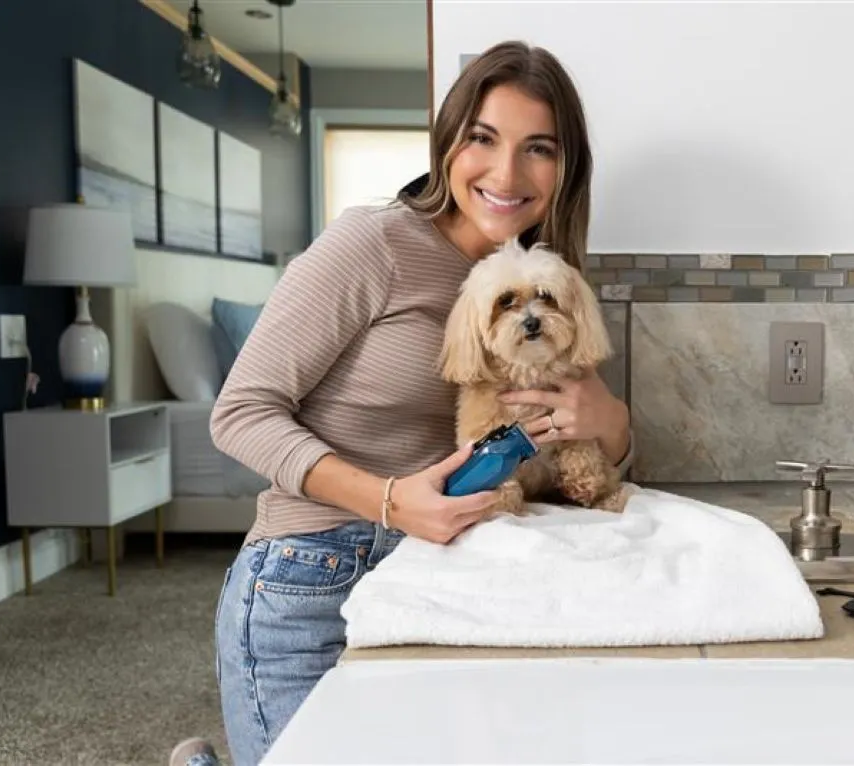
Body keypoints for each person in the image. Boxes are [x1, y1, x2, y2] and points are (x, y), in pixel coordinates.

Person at [204, 40, 634, 766]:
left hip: (448, 581)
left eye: (538, 149)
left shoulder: (541, 285)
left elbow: (577, 461)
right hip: (314, 575)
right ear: (447, 145)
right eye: (482, 139)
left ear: (567, 169)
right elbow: (239, 413)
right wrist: (388, 500)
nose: (506, 173)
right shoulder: (372, 244)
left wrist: (611, 422)